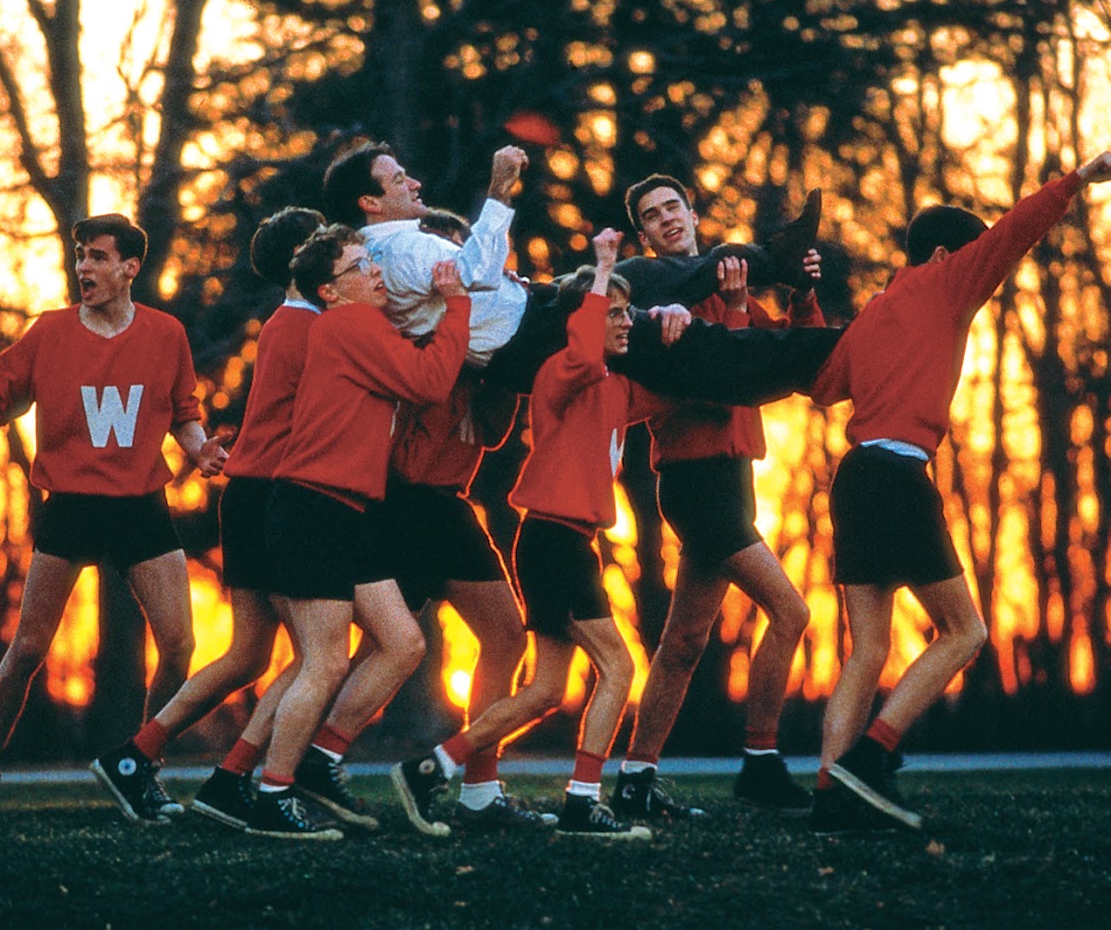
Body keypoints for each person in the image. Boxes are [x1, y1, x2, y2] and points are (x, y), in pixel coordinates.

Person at [808, 151, 1111, 833]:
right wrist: (1076, 180)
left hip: (854, 478)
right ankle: (871, 756)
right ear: (945, 254)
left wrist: (806, 308)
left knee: (866, 650)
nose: (984, 278)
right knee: (965, 631)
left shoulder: (873, 313)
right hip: (898, 475)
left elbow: (824, 387)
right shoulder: (946, 281)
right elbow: (1014, 231)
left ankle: (830, 792)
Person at [0, 213, 226, 822]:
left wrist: (200, 450)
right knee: (28, 648)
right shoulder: (50, 332)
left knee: (180, 645)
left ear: (129, 268)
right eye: (80, 257)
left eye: (97, 256)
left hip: (140, 507)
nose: (84, 268)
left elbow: (184, 413)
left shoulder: (166, 334)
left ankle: (141, 768)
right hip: (70, 506)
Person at [391, 228, 671, 842]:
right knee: (619, 667)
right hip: (552, 542)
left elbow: (681, 386)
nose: (625, 322)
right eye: (614, 313)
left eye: (628, 313)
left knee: (545, 689)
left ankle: (431, 768)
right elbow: (587, 350)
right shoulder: (561, 372)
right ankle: (582, 801)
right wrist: (602, 267)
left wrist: (683, 319)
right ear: (582, 320)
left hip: (574, 543)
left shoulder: (618, 386)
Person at [87, 207, 325, 833]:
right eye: (329, 243)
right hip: (271, 495)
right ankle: (235, 778)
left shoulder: (291, 322)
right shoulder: (305, 326)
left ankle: (136, 757)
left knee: (249, 654)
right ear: (305, 258)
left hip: (251, 494)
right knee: (316, 655)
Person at [321, 140, 839, 407]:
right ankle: (824, 350)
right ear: (370, 202)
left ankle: (778, 265)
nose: (413, 183)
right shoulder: (398, 248)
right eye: (398, 180)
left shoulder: (390, 245)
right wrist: (499, 188)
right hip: (528, 338)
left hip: (536, 311)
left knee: (649, 281)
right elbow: (475, 272)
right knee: (676, 336)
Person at [249, 227, 473, 840]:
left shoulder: (364, 326)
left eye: (372, 259)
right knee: (324, 662)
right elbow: (430, 381)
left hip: (350, 512)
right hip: (312, 509)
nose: (376, 271)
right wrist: (458, 305)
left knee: (403, 642)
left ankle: (321, 758)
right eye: (359, 266)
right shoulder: (350, 324)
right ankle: (272, 794)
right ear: (331, 290)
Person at [610, 175, 821, 821]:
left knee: (682, 645)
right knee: (791, 614)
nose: (667, 218)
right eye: (653, 215)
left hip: (735, 480)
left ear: (693, 214)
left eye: (673, 206)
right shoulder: (653, 307)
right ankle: (760, 762)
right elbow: (724, 382)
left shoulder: (732, 290)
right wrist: (731, 309)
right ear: (644, 236)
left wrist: (802, 291)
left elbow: (796, 357)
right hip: (695, 483)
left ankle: (636, 779)